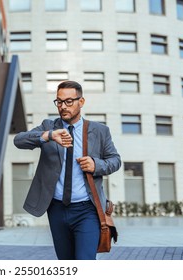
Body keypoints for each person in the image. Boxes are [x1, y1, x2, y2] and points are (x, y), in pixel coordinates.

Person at [14, 80, 121, 260]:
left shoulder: (100, 131)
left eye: (69, 101)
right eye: (59, 102)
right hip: (56, 209)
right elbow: (19, 140)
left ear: (81, 102)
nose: (63, 107)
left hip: (87, 209)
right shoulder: (49, 126)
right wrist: (48, 136)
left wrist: (96, 165)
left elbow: (115, 160)